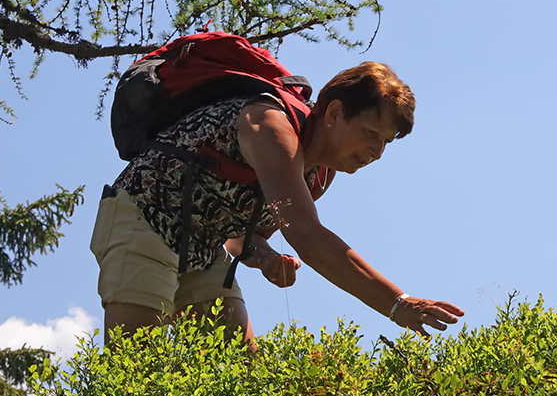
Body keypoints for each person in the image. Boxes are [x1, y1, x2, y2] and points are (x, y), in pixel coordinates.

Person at [91, 60, 464, 346]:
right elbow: (307, 236)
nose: (377, 152)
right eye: (370, 133)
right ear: (334, 113)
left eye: (386, 141)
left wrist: (265, 257)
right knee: (136, 366)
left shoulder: (317, 174)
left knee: (244, 378)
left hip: (203, 249)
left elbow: (241, 240)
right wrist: (398, 304)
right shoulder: (269, 125)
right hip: (143, 219)